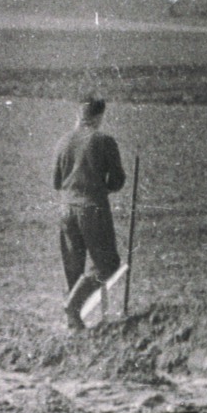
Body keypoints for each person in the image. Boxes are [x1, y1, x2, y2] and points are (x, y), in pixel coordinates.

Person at [53, 97, 127, 330]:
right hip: (92, 207)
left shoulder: (63, 141)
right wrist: (99, 188)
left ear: (78, 114)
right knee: (107, 264)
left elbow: (56, 181)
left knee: (73, 265)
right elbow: (117, 181)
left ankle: (73, 323)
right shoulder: (104, 141)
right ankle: (73, 307)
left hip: (66, 208)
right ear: (98, 117)